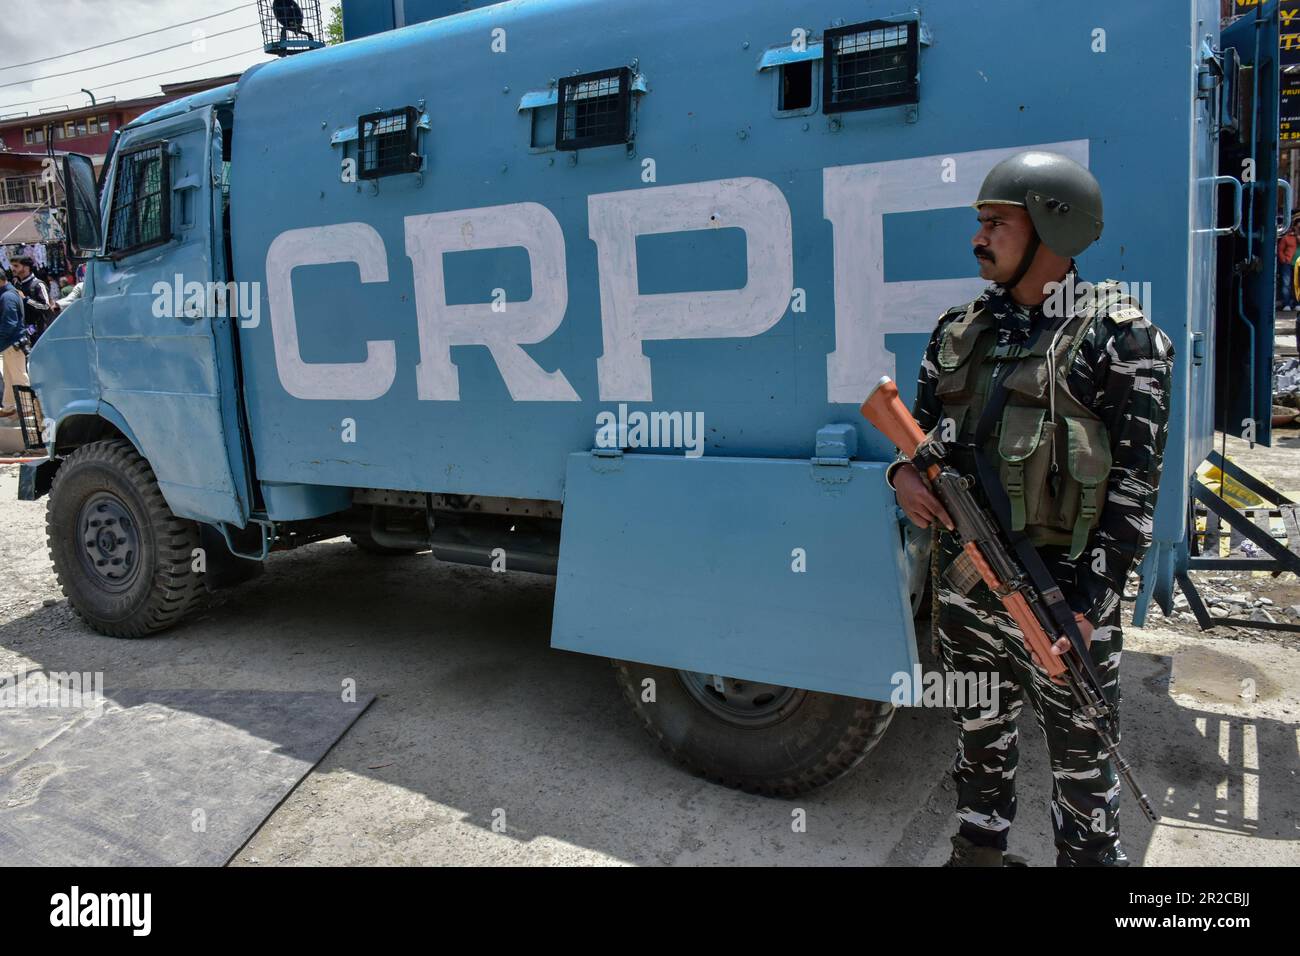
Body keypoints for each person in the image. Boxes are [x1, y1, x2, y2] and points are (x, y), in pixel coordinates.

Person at [885, 151, 1175, 866]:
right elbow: (922, 439)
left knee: (1082, 771)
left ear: (1052, 227)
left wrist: (1085, 605)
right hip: (967, 593)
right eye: (979, 223)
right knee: (977, 740)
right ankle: (978, 854)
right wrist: (902, 475)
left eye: (995, 224)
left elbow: (1135, 493)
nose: (978, 238)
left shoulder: (1121, 339)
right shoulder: (958, 330)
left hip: (1061, 601)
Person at [0, 271, 28, 421]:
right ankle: (9, 407)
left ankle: (28, 409)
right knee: (9, 377)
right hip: (8, 344)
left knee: (19, 377)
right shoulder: (8, 294)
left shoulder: (7, 296)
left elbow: (9, 324)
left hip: (12, 343)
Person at [10, 255, 54, 345]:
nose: (12, 268)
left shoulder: (38, 285)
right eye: (12, 266)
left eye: (16, 266)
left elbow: (46, 307)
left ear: (26, 267)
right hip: (23, 333)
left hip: (39, 333)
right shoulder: (16, 284)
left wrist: (26, 300)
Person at [1279, 221, 1298, 311]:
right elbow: (1280, 250)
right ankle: (1286, 304)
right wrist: (1283, 259)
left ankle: (1297, 303)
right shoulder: (1287, 237)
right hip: (1288, 263)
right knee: (1286, 284)